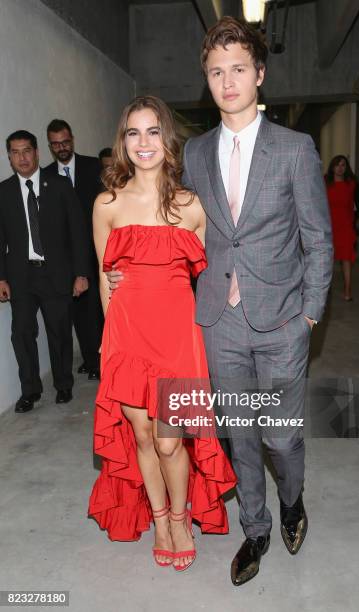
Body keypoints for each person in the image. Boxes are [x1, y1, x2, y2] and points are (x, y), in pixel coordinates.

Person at [107, 18, 333, 585]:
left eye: (238, 69)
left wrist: (310, 313)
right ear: (206, 80)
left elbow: (319, 238)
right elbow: (168, 219)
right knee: (238, 432)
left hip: (283, 318)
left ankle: (293, 500)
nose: (227, 81)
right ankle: (254, 527)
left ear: (259, 74)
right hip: (216, 320)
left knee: (280, 435)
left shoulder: (296, 148)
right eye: (216, 71)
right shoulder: (196, 153)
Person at [88, 96, 236, 571]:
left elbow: (220, 271)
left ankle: (180, 513)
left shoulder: (193, 206)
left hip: (177, 337)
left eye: (153, 132)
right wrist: (108, 342)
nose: (143, 142)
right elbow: (104, 279)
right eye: (134, 133)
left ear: (167, 140)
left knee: (172, 439)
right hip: (128, 336)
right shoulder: (107, 204)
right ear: (123, 142)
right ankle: (161, 520)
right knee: (144, 437)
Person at [0, 130, 90, 412]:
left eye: (26, 150)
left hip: (56, 274)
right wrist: (1, 277)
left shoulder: (60, 185)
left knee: (59, 331)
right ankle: (30, 391)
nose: (22, 157)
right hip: (21, 277)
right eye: (15, 153)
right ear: (9, 158)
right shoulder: (3, 192)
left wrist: (81, 273)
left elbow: (77, 232)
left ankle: (63, 384)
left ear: (37, 152)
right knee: (22, 334)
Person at [45, 119, 103, 379]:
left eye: (65, 142)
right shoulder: (45, 176)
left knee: (94, 312)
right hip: (62, 259)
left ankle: (98, 360)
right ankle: (91, 359)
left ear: (73, 140)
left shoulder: (93, 167)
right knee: (77, 313)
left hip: (93, 252)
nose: (62, 147)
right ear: (50, 146)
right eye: (56, 144)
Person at [326, 155, 358, 301]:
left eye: (343, 165)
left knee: (346, 258)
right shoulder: (325, 182)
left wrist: (353, 224)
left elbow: (352, 205)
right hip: (328, 225)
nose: (340, 168)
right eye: (337, 165)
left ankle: (348, 289)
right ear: (332, 167)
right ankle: (326, 289)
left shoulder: (351, 184)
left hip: (345, 225)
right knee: (328, 259)